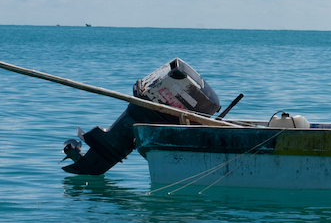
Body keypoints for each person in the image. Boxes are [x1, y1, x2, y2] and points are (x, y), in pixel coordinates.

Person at [62, 57, 221, 175]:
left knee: (127, 126)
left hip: (144, 108)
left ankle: (97, 158)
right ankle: (98, 157)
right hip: (148, 110)